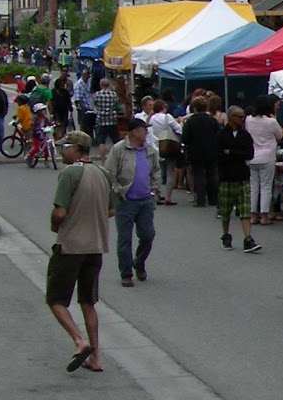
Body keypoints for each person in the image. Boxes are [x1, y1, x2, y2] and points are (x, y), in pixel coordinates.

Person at [46, 130, 110, 373]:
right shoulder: (103, 173)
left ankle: (78, 340)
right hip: (95, 246)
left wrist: (55, 224)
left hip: (71, 245)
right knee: (88, 301)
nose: (61, 152)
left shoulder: (70, 173)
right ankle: (96, 358)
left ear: (75, 149)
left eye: (64, 147)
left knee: (55, 299)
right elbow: (111, 209)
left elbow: (60, 212)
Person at [105, 117, 157, 287]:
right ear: (134, 132)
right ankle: (126, 273)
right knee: (125, 238)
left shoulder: (148, 150)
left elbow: (155, 171)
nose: (146, 132)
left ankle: (139, 262)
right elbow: (109, 173)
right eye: (144, 129)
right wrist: (118, 191)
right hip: (126, 201)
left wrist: (154, 191)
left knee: (148, 235)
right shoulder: (119, 149)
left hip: (145, 200)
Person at [216, 105, 260, 253]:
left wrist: (231, 152)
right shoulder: (221, 134)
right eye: (240, 117)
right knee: (226, 209)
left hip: (242, 176)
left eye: (243, 117)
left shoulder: (245, 135)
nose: (243, 119)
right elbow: (218, 155)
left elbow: (249, 154)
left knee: (244, 209)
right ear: (231, 117)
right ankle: (226, 235)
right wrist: (235, 154)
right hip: (226, 177)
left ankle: (248, 238)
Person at [245, 95, 283, 226]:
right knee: (266, 187)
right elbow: (279, 135)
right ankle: (264, 216)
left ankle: (253, 215)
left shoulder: (248, 119)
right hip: (267, 156)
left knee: (254, 187)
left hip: (252, 155)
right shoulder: (271, 121)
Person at [182, 92, 221, 208]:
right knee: (211, 174)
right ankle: (213, 199)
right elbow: (219, 134)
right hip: (211, 151)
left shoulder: (190, 121)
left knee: (198, 175)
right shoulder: (212, 120)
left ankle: (200, 199)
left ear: (194, 107)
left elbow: (185, 138)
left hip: (195, 151)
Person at [146, 98, 182, 204]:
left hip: (156, 147)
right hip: (168, 145)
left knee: (157, 172)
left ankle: (156, 195)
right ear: (163, 107)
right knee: (170, 171)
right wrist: (180, 122)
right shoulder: (167, 117)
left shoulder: (152, 119)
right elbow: (179, 129)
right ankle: (168, 197)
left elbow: (146, 127)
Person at [91, 78, 122, 157]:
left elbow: (94, 106)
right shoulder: (114, 94)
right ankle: (118, 157)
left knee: (101, 142)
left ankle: (103, 160)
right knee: (116, 141)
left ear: (100, 85)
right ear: (108, 85)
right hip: (112, 120)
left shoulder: (96, 95)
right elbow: (117, 106)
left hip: (101, 120)